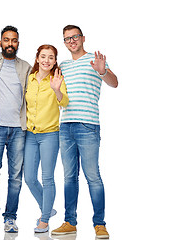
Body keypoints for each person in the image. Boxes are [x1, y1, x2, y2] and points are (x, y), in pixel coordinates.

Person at [51, 25, 118, 239]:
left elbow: (114, 83)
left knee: (93, 176)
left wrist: (103, 70)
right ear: (64, 42)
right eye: (67, 38)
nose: (71, 41)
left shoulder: (95, 61)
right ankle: (69, 222)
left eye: (75, 37)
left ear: (83, 38)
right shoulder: (62, 65)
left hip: (88, 125)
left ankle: (100, 224)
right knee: (69, 177)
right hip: (66, 126)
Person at [0, 25, 31, 233]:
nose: (10, 43)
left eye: (14, 40)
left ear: (18, 43)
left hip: (19, 129)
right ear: (0, 42)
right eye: (6, 40)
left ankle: (10, 218)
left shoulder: (26, 67)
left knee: (15, 177)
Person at [24, 45, 69, 233]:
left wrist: (57, 89)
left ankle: (44, 219)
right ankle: (48, 209)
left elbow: (64, 102)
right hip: (30, 134)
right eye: (43, 56)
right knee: (29, 178)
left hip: (50, 134)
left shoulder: (57, 79)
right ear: (37, 58)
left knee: (47, 177)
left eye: (51, 57)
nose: (46, 60)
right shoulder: (30, 79)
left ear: (55, 60)